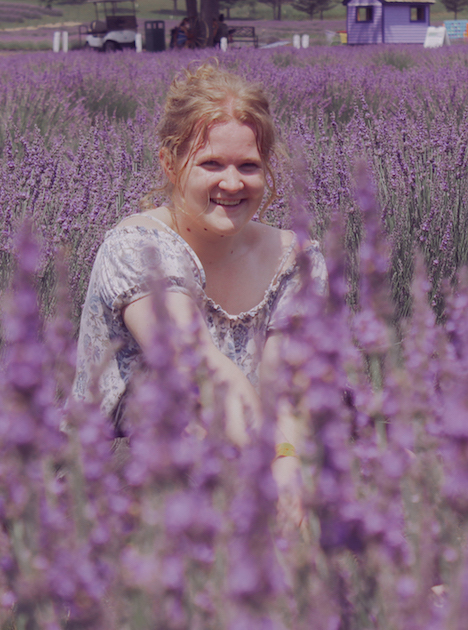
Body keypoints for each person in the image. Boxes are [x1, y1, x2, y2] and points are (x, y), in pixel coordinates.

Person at [72, 62, 327, 523]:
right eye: (211, 163)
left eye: (248, 166)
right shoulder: (138, 249)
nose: (232, 183)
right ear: (170, 164)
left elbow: (286, 385)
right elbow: (199, 367)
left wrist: (288, 464)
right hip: (123, 479)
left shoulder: (296, 259)